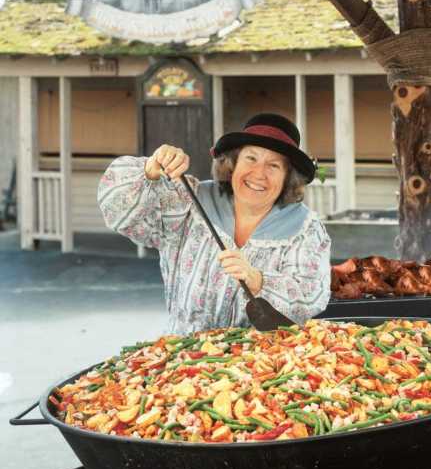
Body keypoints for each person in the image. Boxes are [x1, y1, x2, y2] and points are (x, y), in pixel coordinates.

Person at [98, 113, 332, 334]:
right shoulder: (188, 201)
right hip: (182, 355)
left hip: (262, 358)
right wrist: (150, 171)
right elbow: (120, 214)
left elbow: (310, 300)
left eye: (274, 165)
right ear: (232, 165)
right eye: (251, 158)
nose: (259, 173)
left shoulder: (304, 229)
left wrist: (257, 280)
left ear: (287, 178)